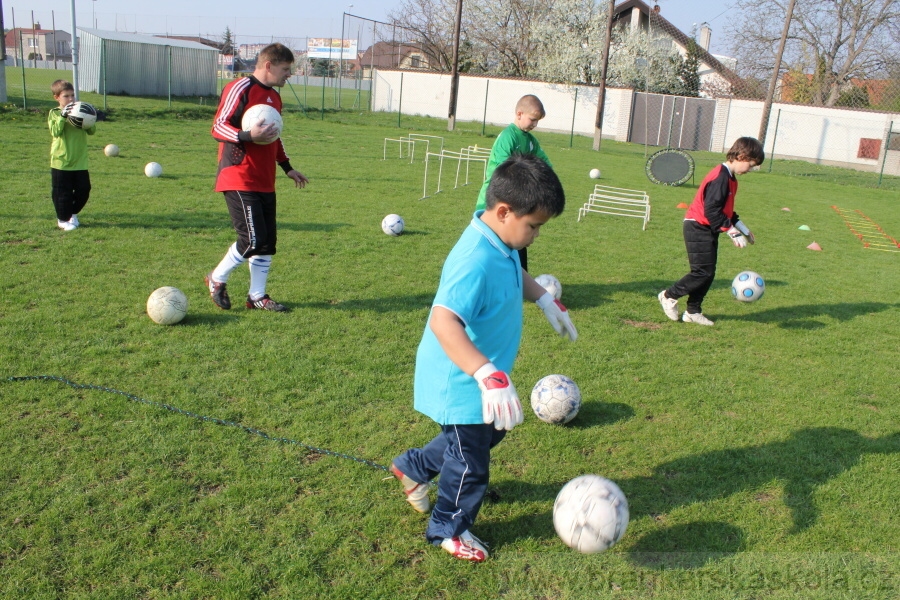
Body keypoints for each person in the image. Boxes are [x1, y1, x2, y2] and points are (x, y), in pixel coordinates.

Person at [390, 154, 578, 562]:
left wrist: (543, 298)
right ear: (505, 211)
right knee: (470, 464)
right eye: (534, 226)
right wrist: (486, 373)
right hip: (460, 382)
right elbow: (443, 322)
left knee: (488, 434)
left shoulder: (501, 240)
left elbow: (515, 273)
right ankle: (449, 529)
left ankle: (413, 467)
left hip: (482, 381)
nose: (535, 236)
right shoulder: (474, 258)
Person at [205, 43, 309, 312]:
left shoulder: (275, 97)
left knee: (266, 243)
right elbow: (218, 126)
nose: (289, 74)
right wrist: (248, 136)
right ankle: (217, 278)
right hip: (238, 175)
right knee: (251, 239)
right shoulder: (240, 88)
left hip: (265, 179)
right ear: (268, 66)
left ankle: (257, 297)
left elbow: (274, 136)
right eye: (286, 69)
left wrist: (287, 167)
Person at [658, 137, 765, 326]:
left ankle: (693, 311)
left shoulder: (731, 179)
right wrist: (732, 232)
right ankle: (669, 295)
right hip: (697, 226)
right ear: (741, 156)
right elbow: (712, 210)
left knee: (708, 272)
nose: (750, 169)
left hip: (707, 228)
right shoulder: (720, 177)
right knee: (701, 272)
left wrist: (742, 228)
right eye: (751, 164)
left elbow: (726, 211)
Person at [474, 94, 553, 272]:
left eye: (537, 121)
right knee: (491, 243)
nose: (535, 124)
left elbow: (545, 164)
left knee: (519, 239)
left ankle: (518, 280)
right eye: (532, 119)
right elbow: (505, 169)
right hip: (494, 198)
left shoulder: (531, 141)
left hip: (515, 200)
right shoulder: (508, 137)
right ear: (519, 114)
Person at [48, 80, 95, 231]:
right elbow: (55, 131)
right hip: (61, 161)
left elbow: (91, 131)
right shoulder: (54, 113)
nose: (70, 99)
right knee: (63, 193)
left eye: (72, 95)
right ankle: (62, 219)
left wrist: (89, 118)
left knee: (84, 189)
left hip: (79, 161)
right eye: (66, 96)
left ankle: (72, 213)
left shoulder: (79, 112)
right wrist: (63, 116)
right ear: (57, 97)